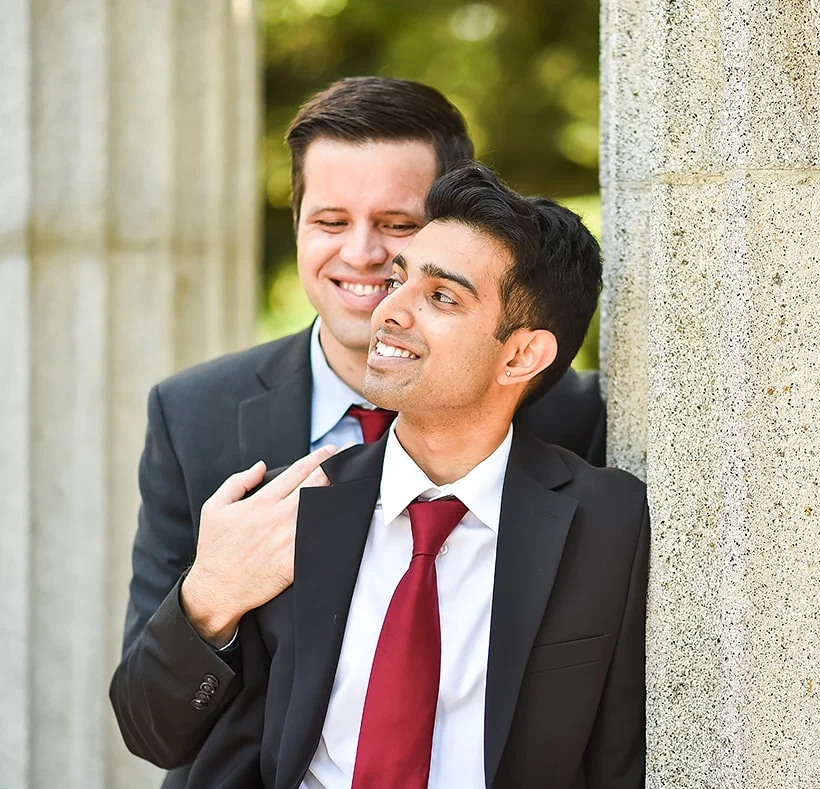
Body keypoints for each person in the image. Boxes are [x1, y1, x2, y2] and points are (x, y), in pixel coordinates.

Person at [109, 78, 607, 787]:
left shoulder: (571, 420)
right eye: (331, 220)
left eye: (398, 225)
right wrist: (211, 595)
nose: (364, 255)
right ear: (297, 222)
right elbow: (150, 726)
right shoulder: (196, 415)